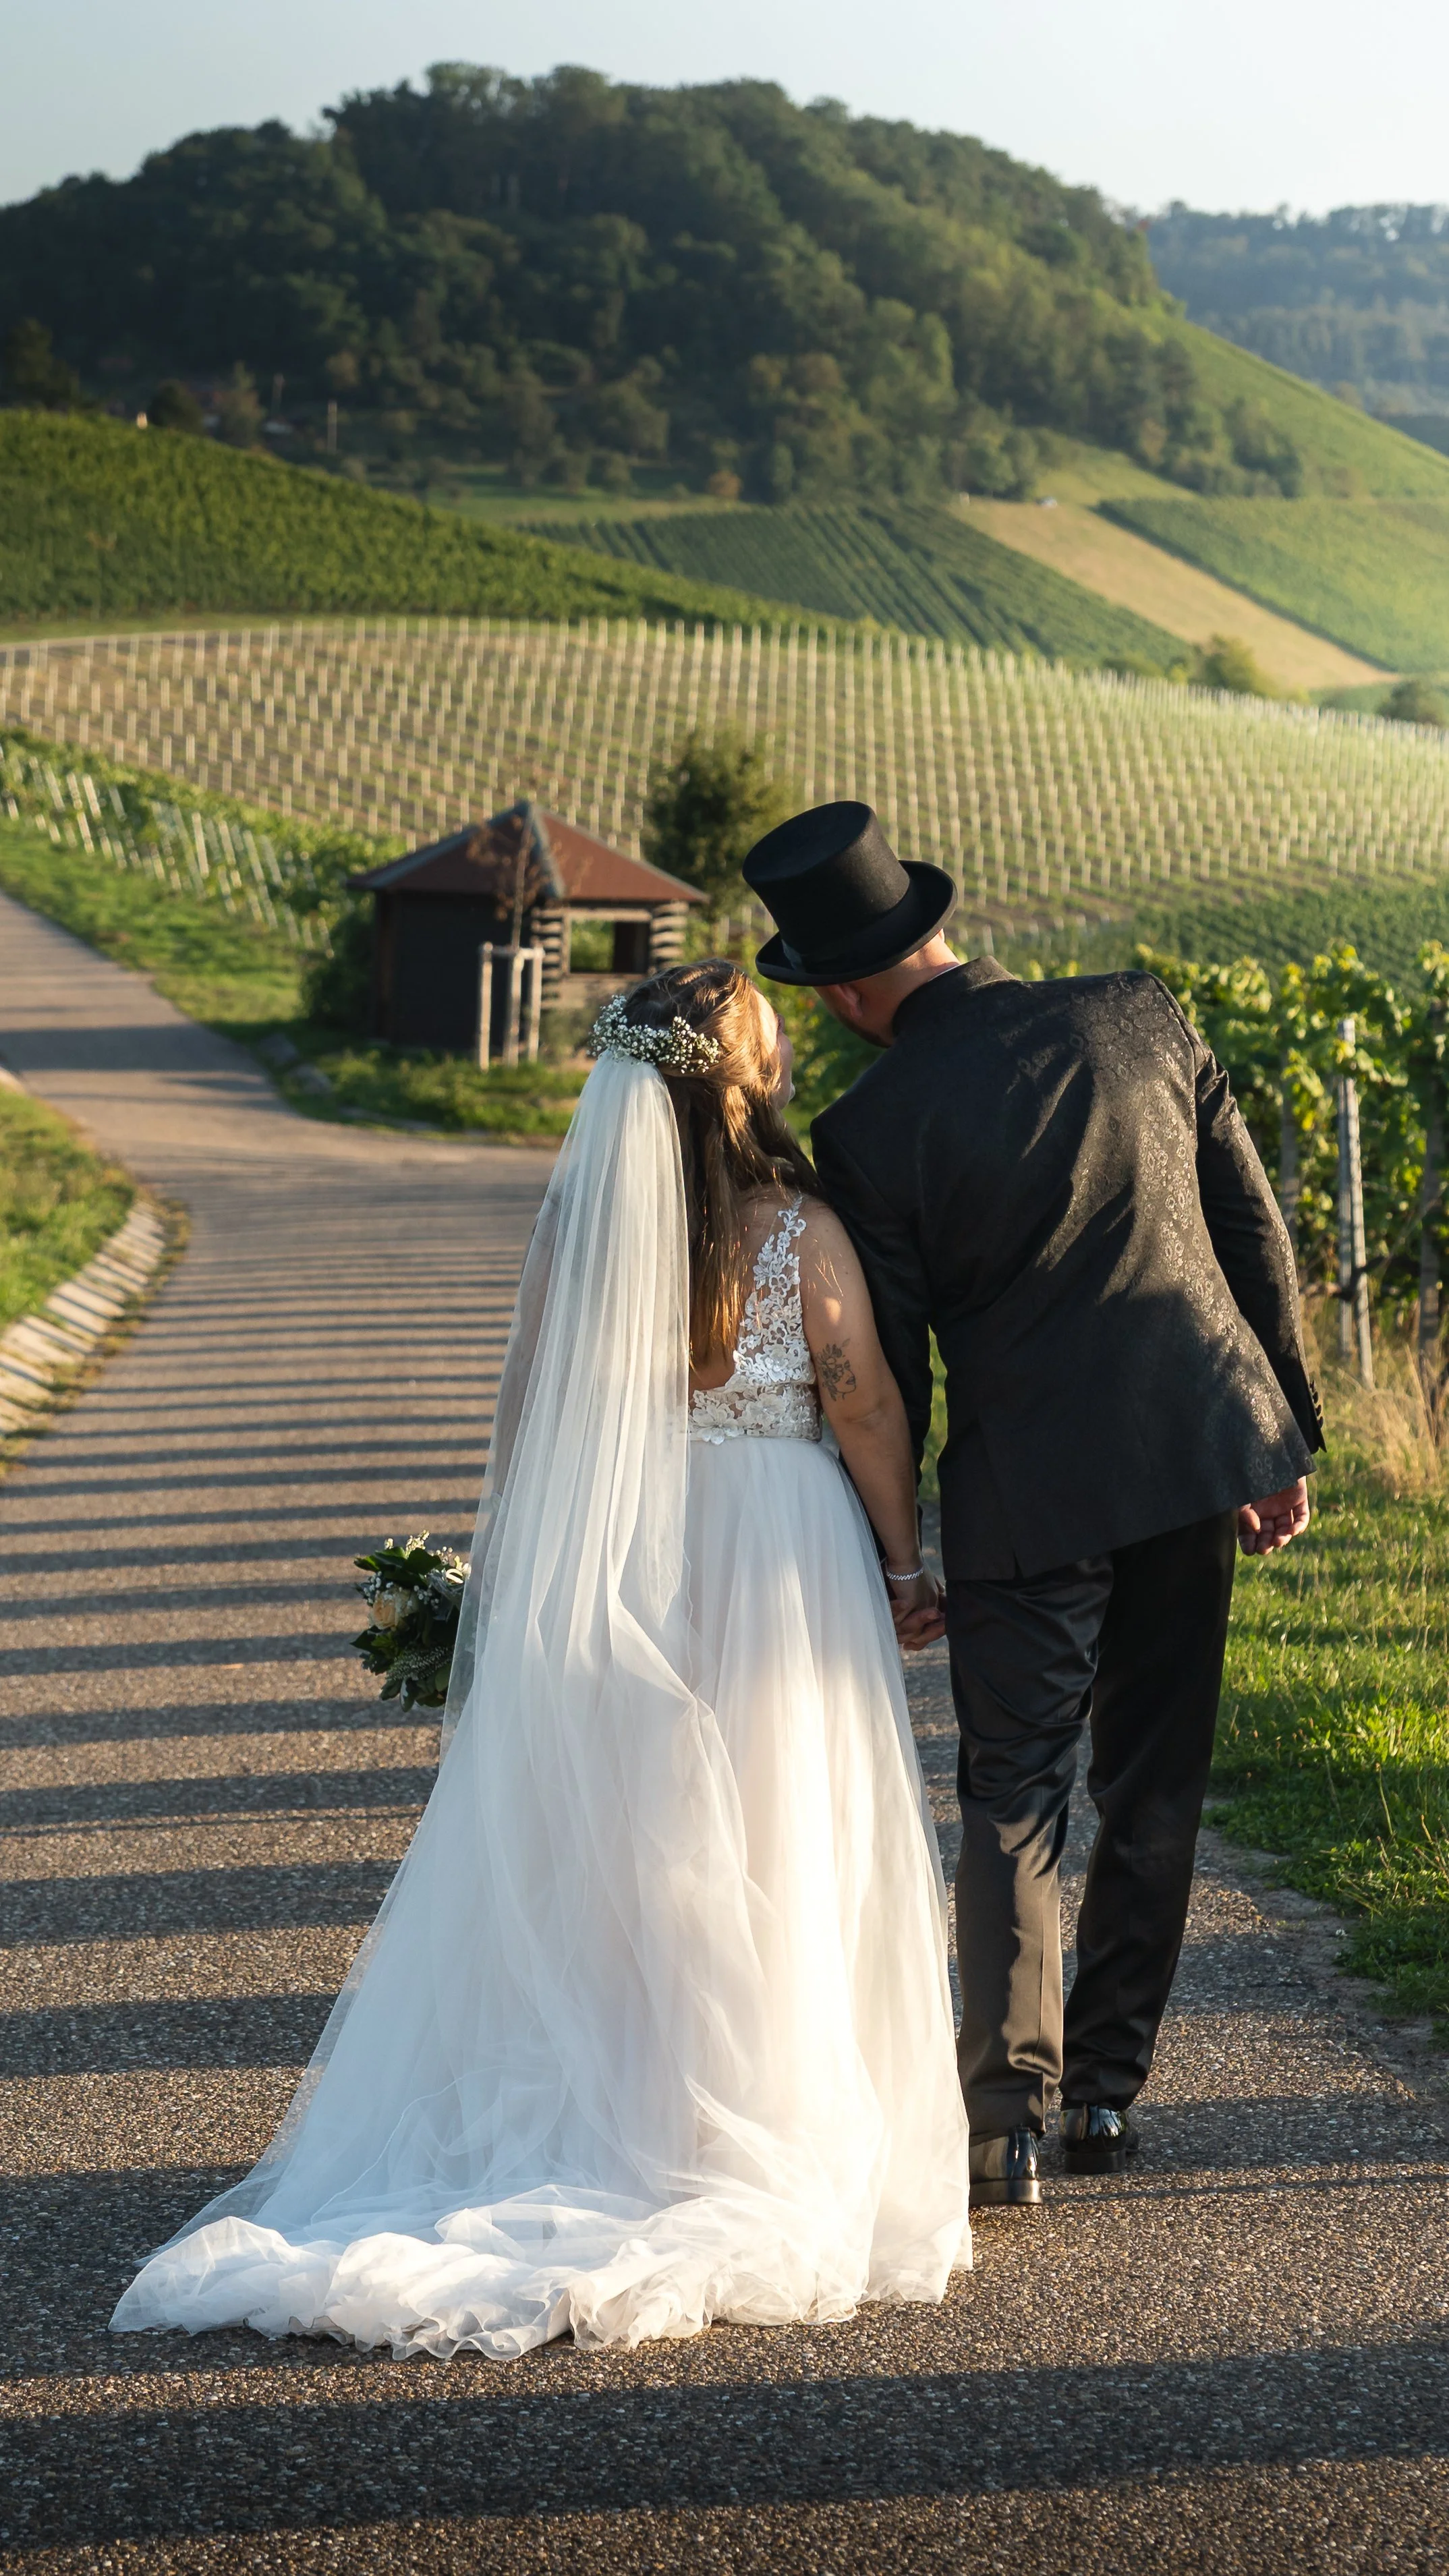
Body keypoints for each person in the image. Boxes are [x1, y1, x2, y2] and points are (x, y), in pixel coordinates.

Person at [111, 960, 971, 2359]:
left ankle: (625, 2109)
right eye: (769, 1047)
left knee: (635, 1846)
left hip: (632, 1546)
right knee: (779, 1830)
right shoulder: (796, 1227)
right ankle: (750, 2116)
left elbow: (527, 1401)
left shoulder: (586, 1217)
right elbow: (859, 1392)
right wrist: (903, 1559)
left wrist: (514, 1568)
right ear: (739, 1077)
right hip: (778, 1549)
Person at [743, 801, 1320, 2211]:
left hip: (1024, 1499)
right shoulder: (1141, 1014)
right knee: (1154, 1780)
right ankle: (1109, 2095)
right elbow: (1251, 1229)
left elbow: (889, 1368)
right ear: (939, 929)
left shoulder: (870, 1127)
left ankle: (1004, 2121)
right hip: (1192, 1454)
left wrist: (898, 1553)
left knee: (1014, 1790)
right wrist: (1281, 1432)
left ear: (840, 989)